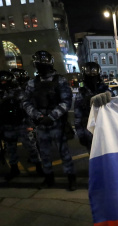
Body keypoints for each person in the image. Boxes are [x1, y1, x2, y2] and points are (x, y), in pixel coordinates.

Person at [21, 50, 76, 191]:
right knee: (44, 154)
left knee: (64, 153)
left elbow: (66, 101)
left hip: (57, 124)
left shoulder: (60, 81)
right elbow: (26, 102)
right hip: (41, 124)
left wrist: (51, 116)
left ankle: (71, 178)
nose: (41, 66)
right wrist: (38, 116)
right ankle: (49, 178)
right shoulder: (32, 83)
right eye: (39, 64)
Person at [0, 70, 43, 181]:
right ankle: (14, 169)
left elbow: (27, 109)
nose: (3, 83)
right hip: (7, 125)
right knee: (10, 149)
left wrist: (30, 124)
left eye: (5, 81)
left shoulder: (20, 92)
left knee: (31, 147)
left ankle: (39, 167)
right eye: (1, 81)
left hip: (22, 124)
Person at [73, 62, 112, 152]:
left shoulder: (106, 90)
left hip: (106, 131)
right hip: (89, 132)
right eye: (89, 75)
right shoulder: (82, 93)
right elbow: (78, 116)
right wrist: (81, 135)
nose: (92, 77)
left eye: (94, 74)